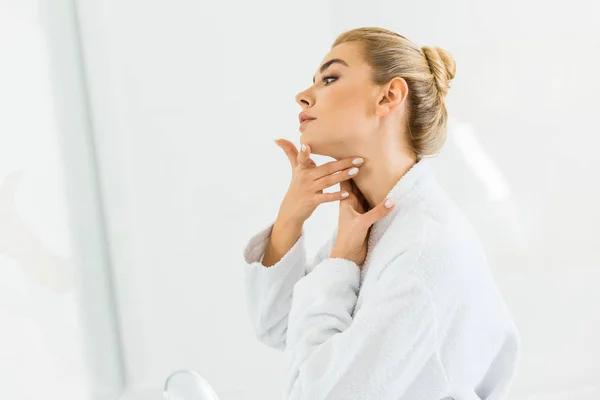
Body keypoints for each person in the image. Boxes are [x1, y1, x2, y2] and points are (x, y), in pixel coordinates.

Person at [242, 27, 520, 400]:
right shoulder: (375, 222)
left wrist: (341, 261)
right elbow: (279, 328)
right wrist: (291, 217)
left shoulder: (424, 250)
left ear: (389, 96)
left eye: (330, 78)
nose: (303, 96)